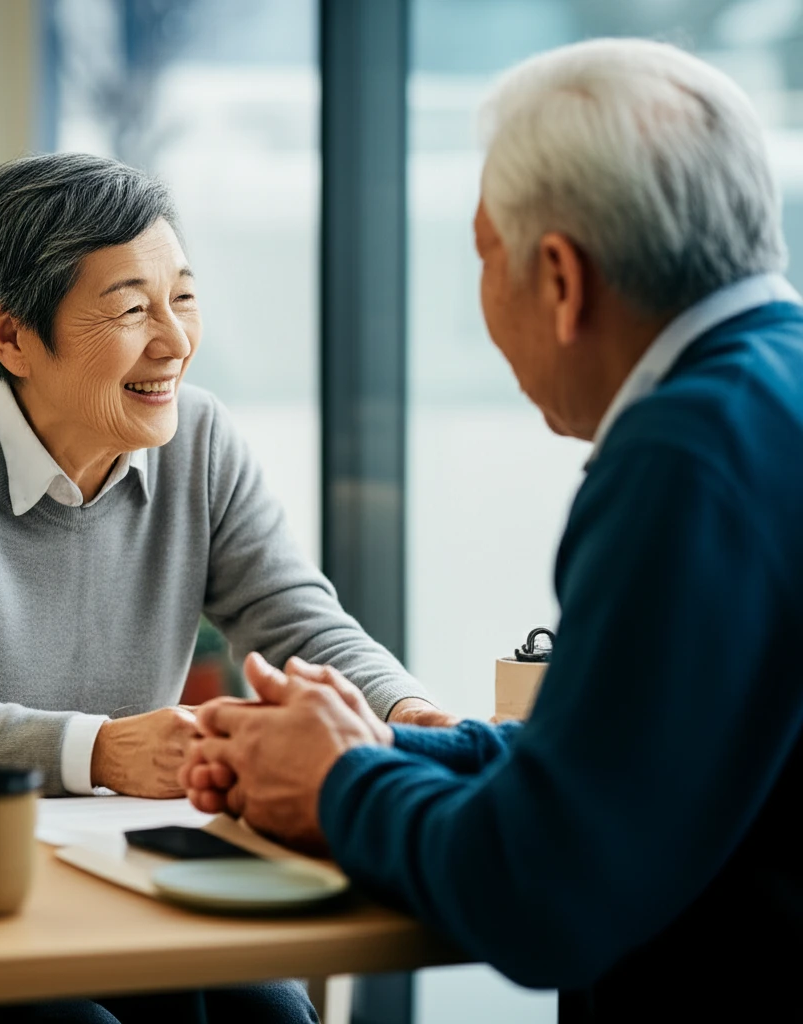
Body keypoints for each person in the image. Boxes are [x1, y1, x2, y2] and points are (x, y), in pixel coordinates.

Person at [182, 38, 803, 1020]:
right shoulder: (769, 397)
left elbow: (547, 886)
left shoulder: (684, 453)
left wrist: (341, 784)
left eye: (482, 253)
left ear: (560, 276)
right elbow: (631, 773)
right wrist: (380, 748)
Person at [0, 153, 456, 1023]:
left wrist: (415, 718)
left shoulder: (199, 440)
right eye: (133, 309)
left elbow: (301, 627)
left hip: (104, 872)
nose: (174, 341)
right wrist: (100, 750)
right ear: (12, 335)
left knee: (271, 1015)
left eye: (182, 296)